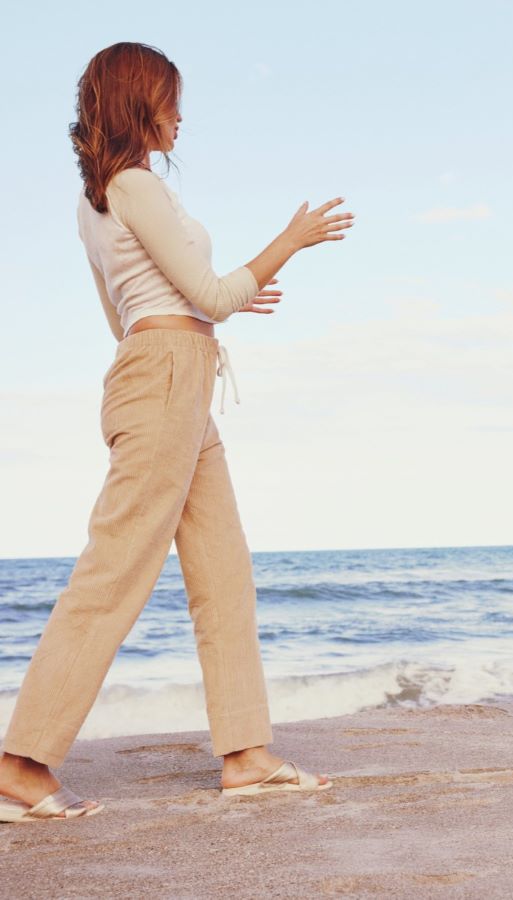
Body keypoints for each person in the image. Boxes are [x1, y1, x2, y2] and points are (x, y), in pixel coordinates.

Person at [0, 42, 353, 822]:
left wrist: (209, 306)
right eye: (171, 99)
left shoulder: (99, 199)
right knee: (115, 570)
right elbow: (213, 296)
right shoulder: (135, 185)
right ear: (140, 102)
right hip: (165, 378)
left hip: (172, 374)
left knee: (223, 569)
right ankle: (20, 766)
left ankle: (246, 756)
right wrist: (289, 242)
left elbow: (129, 313)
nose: (181, 115)